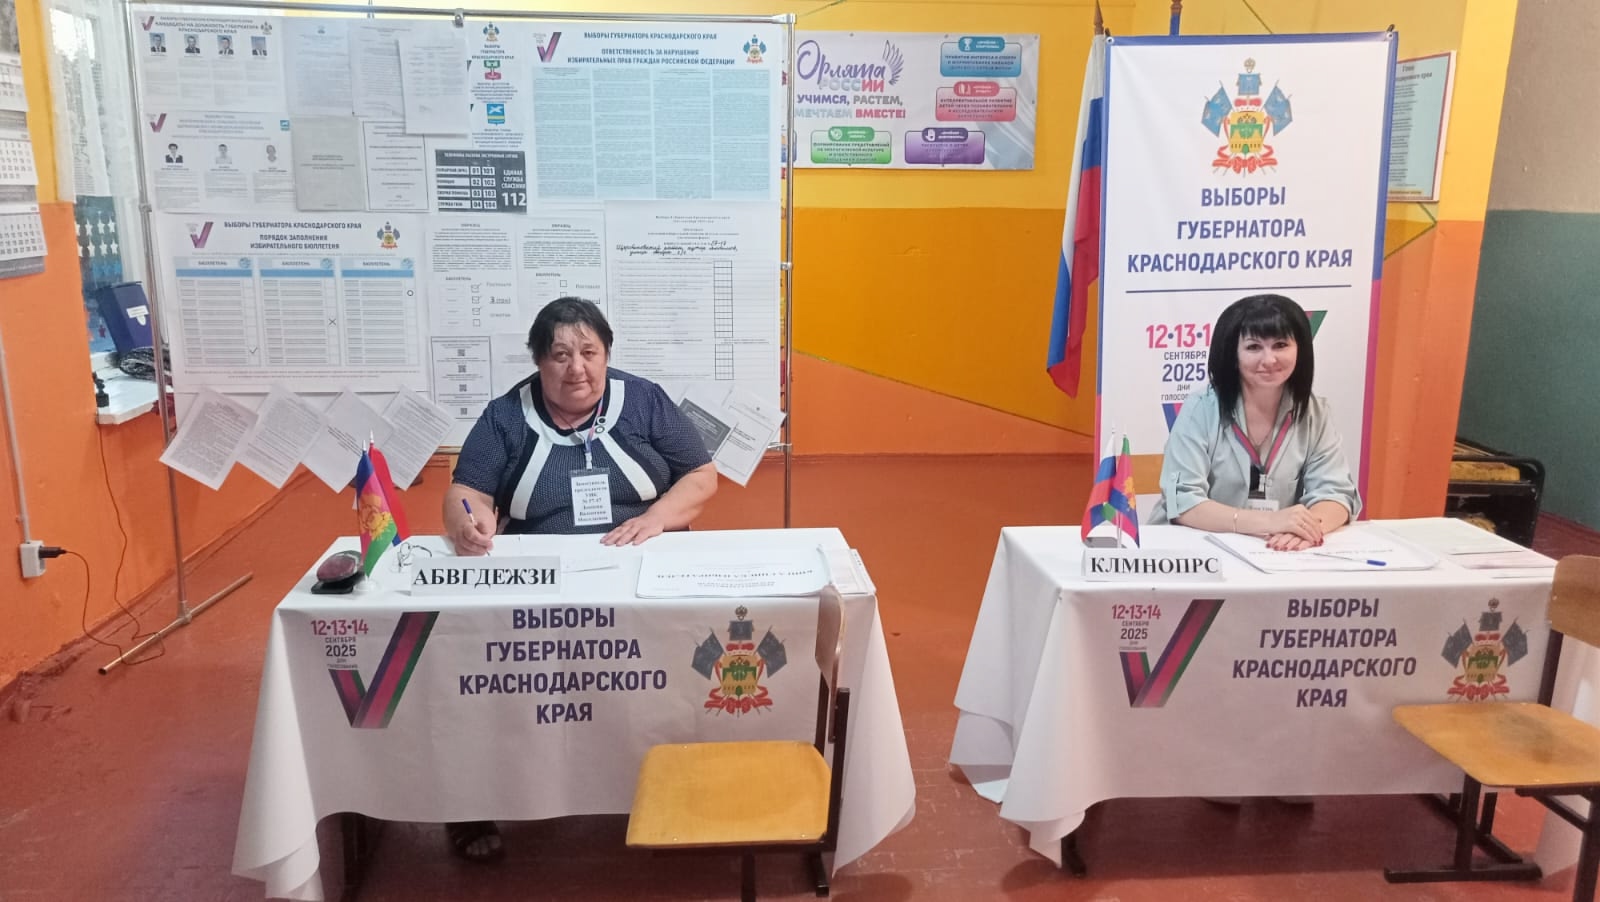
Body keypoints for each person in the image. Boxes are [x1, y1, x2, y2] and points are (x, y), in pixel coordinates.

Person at [438, 296, 718, 861]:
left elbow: (701, 474)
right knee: (491, 672)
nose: (577, 368)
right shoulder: (505, 416)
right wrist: (469, 522)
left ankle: (676, 777)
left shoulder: (643, 400)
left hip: (644, 563)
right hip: (543, 576)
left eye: (589, 352)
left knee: (676, 671)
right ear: (539, 361)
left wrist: (657, 518)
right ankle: (474, 799)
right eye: (560, 355)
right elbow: (464, 492)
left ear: (607, 354)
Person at [1148, 293, 1359, 550]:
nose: (1269, 360)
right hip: (1196, 550)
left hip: (1273, 551)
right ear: (1232, 354)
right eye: (1253, 347)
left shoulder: (1315, 412)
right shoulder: (1200, 409)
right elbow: (1183, 503)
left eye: (1280, 345)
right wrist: (1269, 521)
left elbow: (1337, 494)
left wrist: (1306, 529)